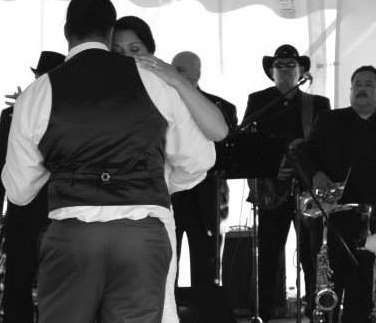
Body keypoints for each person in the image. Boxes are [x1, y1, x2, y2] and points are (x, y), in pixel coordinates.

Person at [2, 0, 215, 323]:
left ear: (66, 31)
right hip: (141, 232)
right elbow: (199, 160)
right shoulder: (154, 82)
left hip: (73, 233)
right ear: (110, 31)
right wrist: (154, 182)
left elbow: (19, 190)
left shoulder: (38, 91)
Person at [112, 17, 228, 322]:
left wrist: (163, 185)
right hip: (105, 224)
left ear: (150, 52)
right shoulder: (99, 91)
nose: (127, 57)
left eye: (135, 48)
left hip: (153, 213)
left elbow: (215, 136)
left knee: (158, 303)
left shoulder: (165, 89)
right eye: (118, 50)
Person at [294, 65, 376, 322]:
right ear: (351, 90)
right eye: (357, 85)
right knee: (326, 287)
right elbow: (302, 153)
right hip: (332, 216)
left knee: (364, 292)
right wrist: (317, 174)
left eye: (369, 84)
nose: (362, 89)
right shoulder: (330, 120)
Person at [243, 44, 330, 319]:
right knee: (268, 253)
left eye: (290, 65)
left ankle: (317, 308)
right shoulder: (259, 101)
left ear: (301, 70)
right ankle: (265, 312)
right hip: (272, 189)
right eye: (279, 65)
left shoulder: (317, 104)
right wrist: (271, 168)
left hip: (307, 189)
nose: (284, 70)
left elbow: (325, 147)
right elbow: (247, 142)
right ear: (271, 71)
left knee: (311, 254)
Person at [0, 50, 65, 323]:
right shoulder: (11, 114)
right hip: (22, 207)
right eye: (39, 76)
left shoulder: (70, 114)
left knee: (56, 279)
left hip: (58, 207)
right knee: (18, 275)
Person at [169, 51, 237, 286]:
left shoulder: (220, 107)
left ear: (197, 74)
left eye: (180, 70)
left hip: (208, 195)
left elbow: (224, 148)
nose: (173, 74)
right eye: (172, 68)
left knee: (206, 265)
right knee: (168, 262)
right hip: (171, 194)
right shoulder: (160, 103)